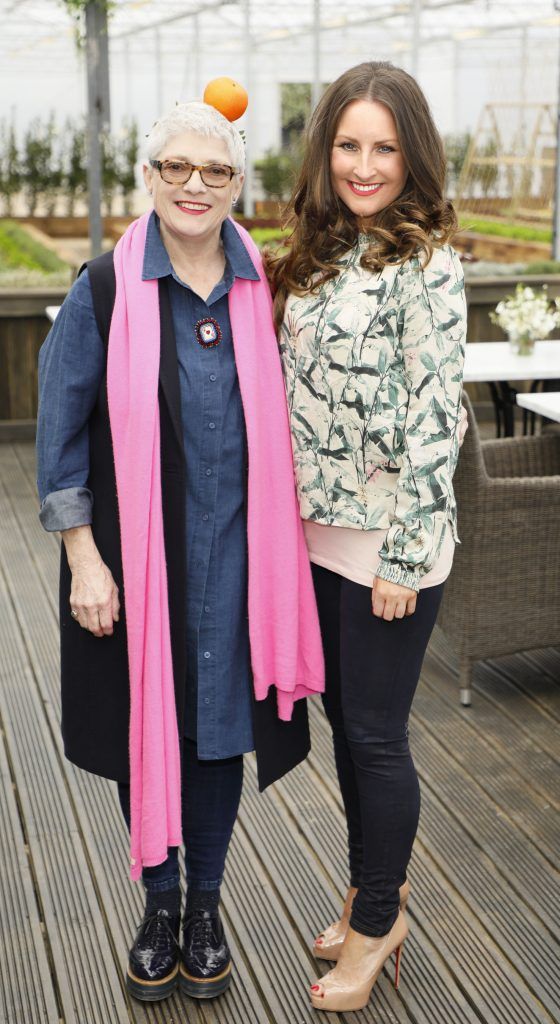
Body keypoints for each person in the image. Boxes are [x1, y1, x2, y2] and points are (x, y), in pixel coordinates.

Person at [36, 99, 323, 1004]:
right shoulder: (106, 290)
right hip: (134, 566)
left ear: (239, 186)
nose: (196, 185)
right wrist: (85, 558)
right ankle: (160, 906)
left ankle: (206, 907)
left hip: (240, 563)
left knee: (215, 739)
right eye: (177, 167)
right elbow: (60, 438)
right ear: (149, 177)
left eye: (217, 171)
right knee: (145, 731)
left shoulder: (265, 289)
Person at [268, 61, 467, 1013]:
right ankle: (366, 890)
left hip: (390, 542)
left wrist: (402, 556)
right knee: (347, 727)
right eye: (349, 144)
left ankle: (379, 921)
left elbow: (441, 419)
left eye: (385, 146)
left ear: (413, 153)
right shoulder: (317, 253)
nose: (365, 164)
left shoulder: (426, 260)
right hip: (315, 534)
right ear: (325, 151)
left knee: (379, 736)